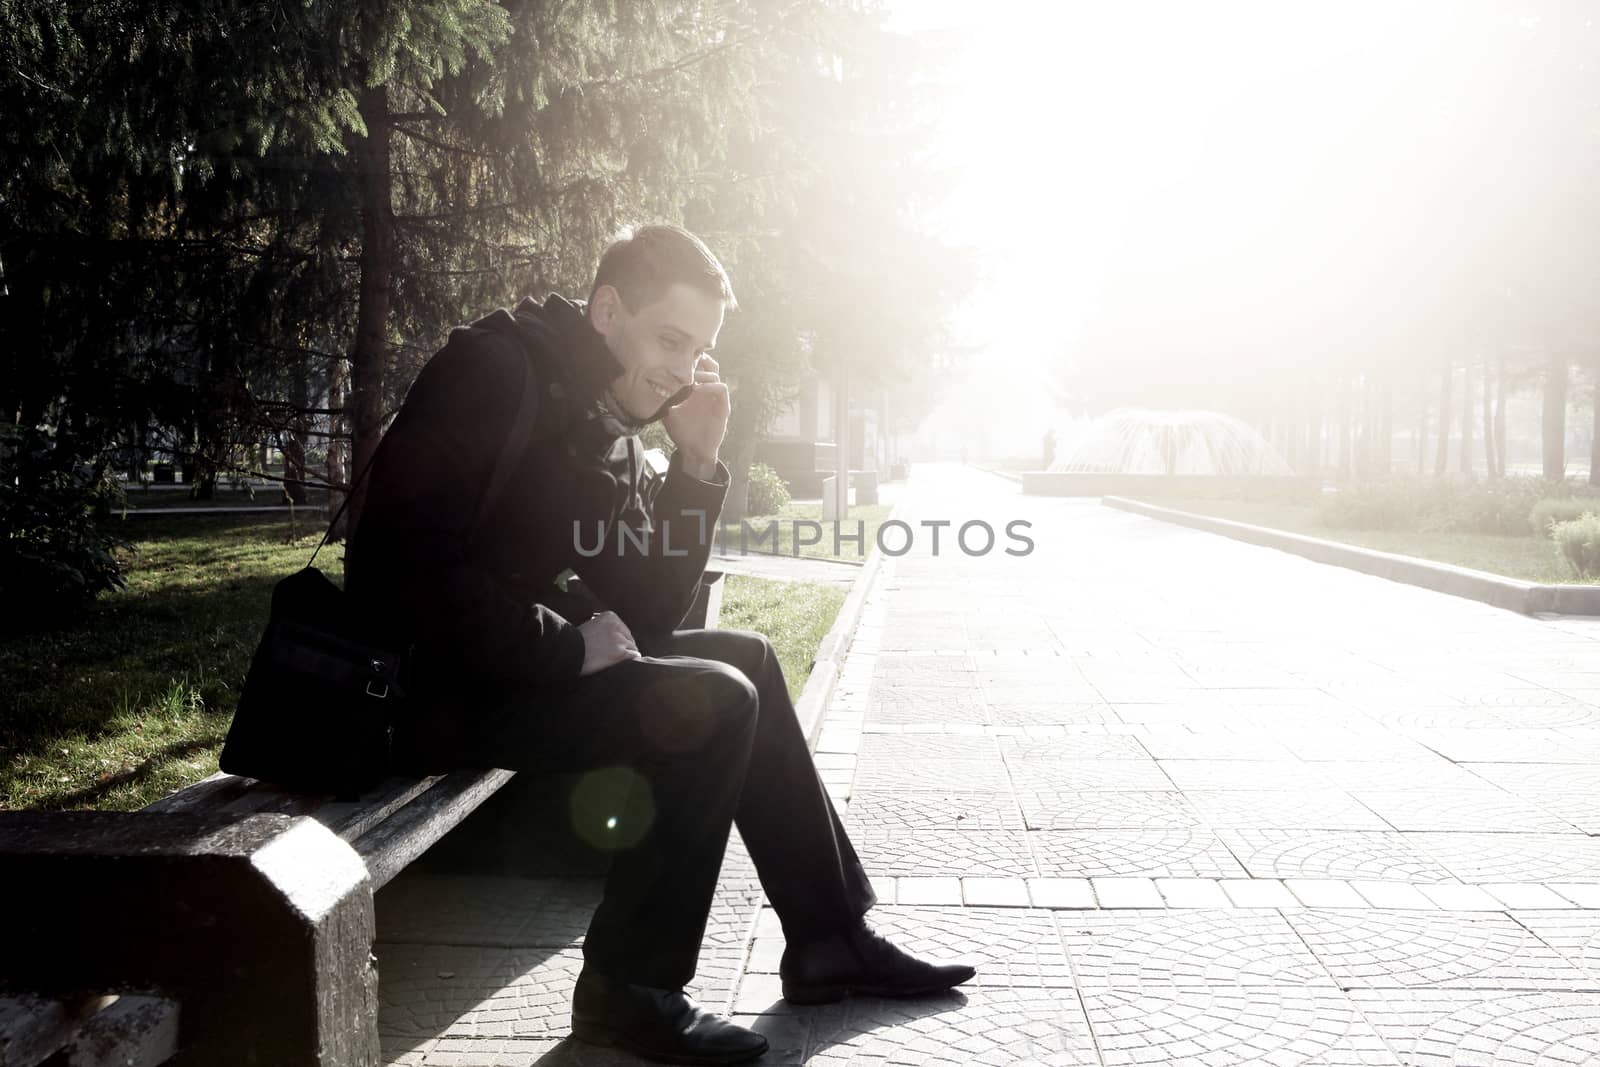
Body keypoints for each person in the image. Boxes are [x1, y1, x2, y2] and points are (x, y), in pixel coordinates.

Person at [346, 224, 975, 1065]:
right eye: (670, 339)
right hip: (415, 688)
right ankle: (627, 990)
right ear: (608, 311)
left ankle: (829, 936)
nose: (684, 370)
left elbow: (646, 609)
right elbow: (398, 570)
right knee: (714, 702)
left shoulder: (603, 416)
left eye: (699, 350)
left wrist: (698, 463)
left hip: (504, 669)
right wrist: (566, 647)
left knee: (743, 655)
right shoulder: (493, 373)